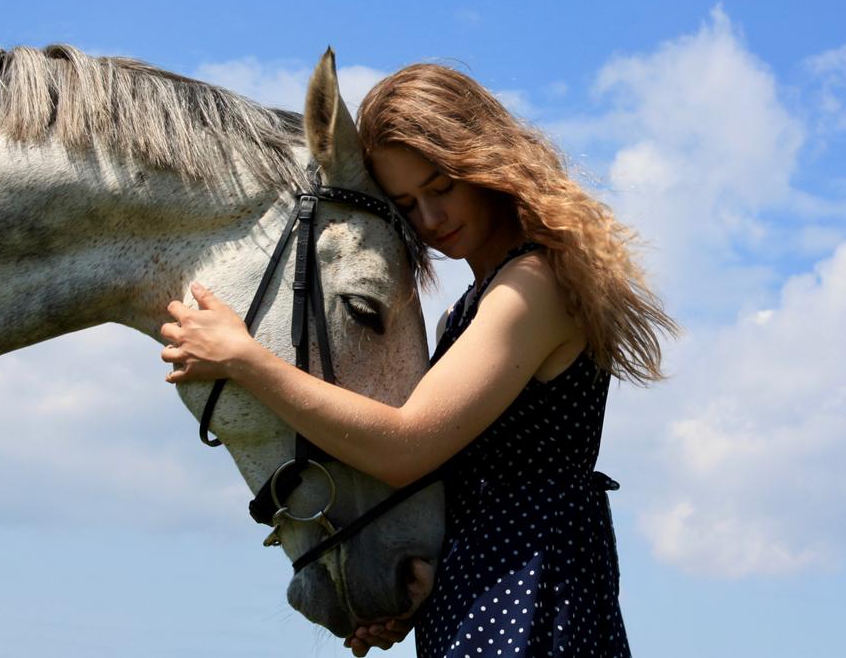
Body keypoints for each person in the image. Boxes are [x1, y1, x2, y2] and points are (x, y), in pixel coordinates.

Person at [160, 63, 676, 657]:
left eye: (441, 187)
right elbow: (471, 477)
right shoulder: (478, 302)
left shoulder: (533, 287)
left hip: (533, 584)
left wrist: (244, 358)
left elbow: (407, 448)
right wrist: (426, 581)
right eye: (406, 204)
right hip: (496, 577)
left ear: (485, 162)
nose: (430, 220)